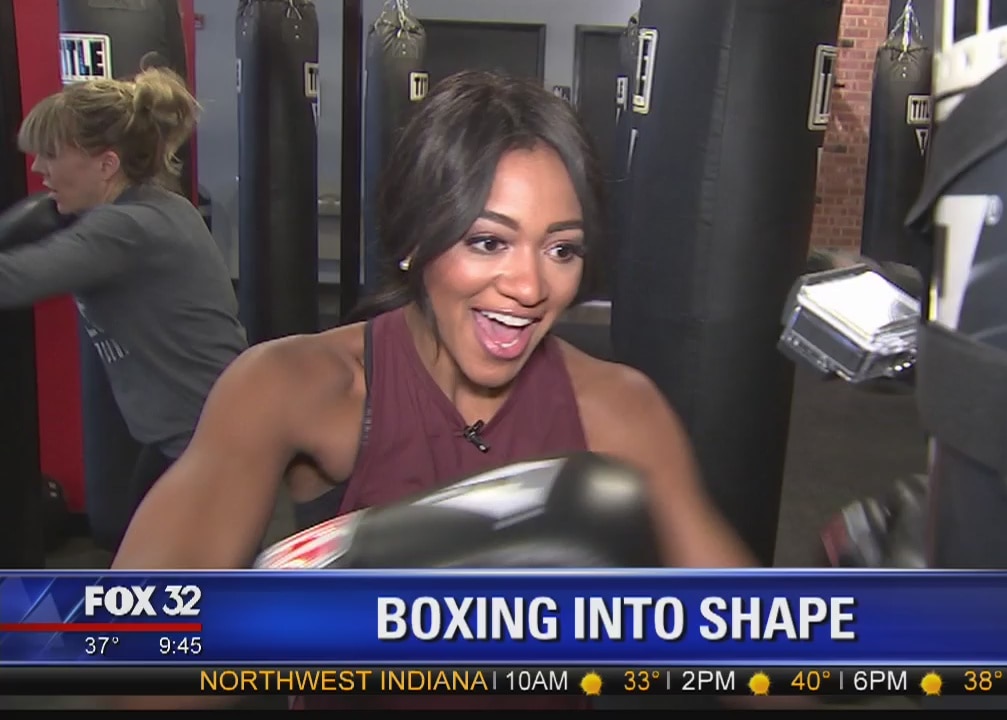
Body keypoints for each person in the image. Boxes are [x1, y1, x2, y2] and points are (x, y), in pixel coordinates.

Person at [111, 70, 756, 710]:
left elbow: (761, 655)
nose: (530, 287)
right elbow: (130, 665)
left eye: (561, 249)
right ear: (416, 238)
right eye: (488, 241)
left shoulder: (619, 410)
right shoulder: (292, 387)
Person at [0, 68, 247, 553]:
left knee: (163, 580)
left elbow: (12, 279)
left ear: (106, 164)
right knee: (136, 563)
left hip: (207, 446)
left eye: (52, 154)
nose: (39, 169)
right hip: (198, 434)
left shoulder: (124, 230)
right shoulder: (164, 207)